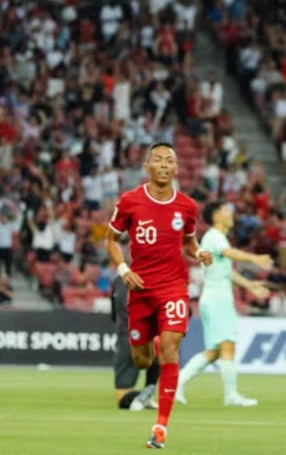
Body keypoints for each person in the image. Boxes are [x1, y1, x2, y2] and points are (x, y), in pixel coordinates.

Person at [106, 142, 213, 449]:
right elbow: (111, 240)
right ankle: (152, 343)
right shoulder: (130, 201)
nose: (165, 165)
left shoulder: (187, 206)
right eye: (158, 160)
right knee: (141, 360)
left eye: (170, 160)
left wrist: (201, 251)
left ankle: (160, 428)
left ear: (176, 168)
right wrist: (125, 269)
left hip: (173, 288)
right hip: (140, 288)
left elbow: (189, 242)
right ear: (148, 167)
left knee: (170, 347)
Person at [175, 201, 274, 406]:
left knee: (214, 352)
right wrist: (254, 258)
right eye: (225, 210)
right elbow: (229, 254)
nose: (230, 213)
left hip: (216, 299)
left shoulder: (218, 239)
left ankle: (176, 385)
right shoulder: (214, 237)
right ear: (216, 216)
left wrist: (250, 285)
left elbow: (227, 271)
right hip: (217, 300)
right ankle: (231, 396)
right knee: (227, 345)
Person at [111, 275, 161, 411]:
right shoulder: (153, 276)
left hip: (128, 337)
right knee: (158, 352)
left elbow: (114, 315)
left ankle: (145, 394)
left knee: (122, 398)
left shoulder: (119, 279)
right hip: (138, 335)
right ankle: (147, 393)